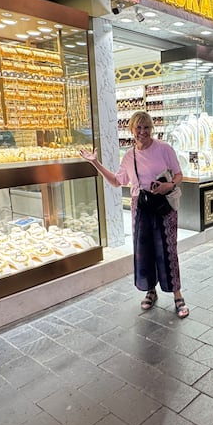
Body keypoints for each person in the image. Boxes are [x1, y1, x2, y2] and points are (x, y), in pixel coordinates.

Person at [80, 111, 189, 318]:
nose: (142, 132)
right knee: (144, 251)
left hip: (163, 207)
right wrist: (95, 162)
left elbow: (178, 174)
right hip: (140, 207)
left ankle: (177, 295)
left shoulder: (164, 149)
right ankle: (150, 290)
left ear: (152, 129)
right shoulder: (129, 156)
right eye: (138, 128)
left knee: (168, 250)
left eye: (146, 127)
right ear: (131, 130)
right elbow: (117, 181)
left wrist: (168, 186)